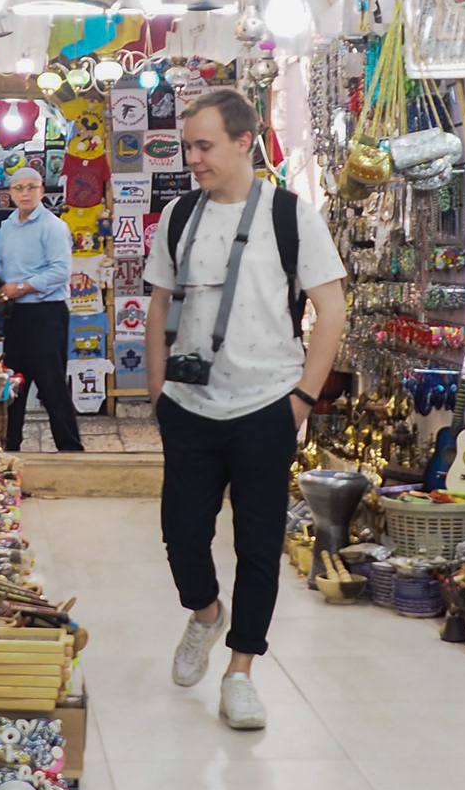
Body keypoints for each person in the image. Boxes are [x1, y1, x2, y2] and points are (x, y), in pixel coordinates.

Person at [146, 85, 345, 729]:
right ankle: (205, 614)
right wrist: (158, 394)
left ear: (242, 142)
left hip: (267, 406)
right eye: (187, 147)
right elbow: (158, 306)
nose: (193, 159)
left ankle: (240, 673)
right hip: (189, 406)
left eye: (203, 146)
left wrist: (302, 399)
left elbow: (332, 309)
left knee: (258, 545)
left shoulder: (291, 216)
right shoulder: (179, 215)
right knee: (182, 535)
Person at [0, 165, 84, 454]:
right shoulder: (8, 225)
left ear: (42, 191)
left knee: (52, 384)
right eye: (19, 188)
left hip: (46, 314)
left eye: (31, 187)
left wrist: (21, 287)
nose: (25, 193)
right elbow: (0, 262)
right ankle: (10, 447)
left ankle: (70, 450)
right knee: (13, 385)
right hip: (17, 314)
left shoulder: (53, 227)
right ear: (10, 193)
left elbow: (60, 272)